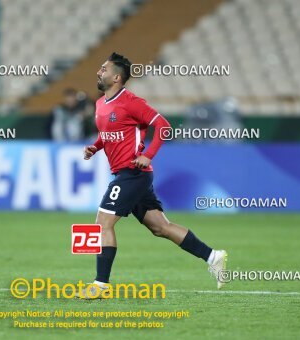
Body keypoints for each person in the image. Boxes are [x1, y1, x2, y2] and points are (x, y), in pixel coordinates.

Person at [79, 52, 228, 298]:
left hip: (132, 173)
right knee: (160, 227)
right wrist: (95, 147)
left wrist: (148, 155)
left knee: (102, 224)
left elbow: (164, 126)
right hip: (130, 175)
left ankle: (100, 286)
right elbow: (108, 134)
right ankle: (214, 257)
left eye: (103, 69)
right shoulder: (100, 104)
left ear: (117, 77)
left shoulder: (131, 101)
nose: (98, 72)